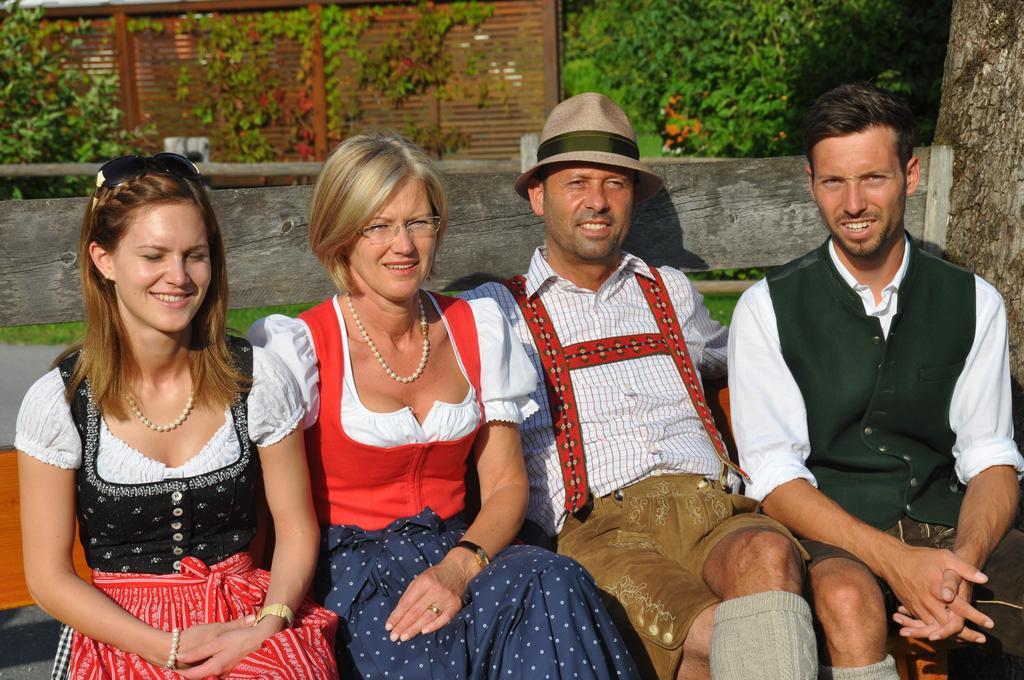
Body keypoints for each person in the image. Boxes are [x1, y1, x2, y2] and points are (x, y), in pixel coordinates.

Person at [249, 131, 639, 679]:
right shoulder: (300, 348)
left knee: (556, 583)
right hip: (352, 571)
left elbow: (505, 485)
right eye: (378, 225)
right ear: (340, 237)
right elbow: (278, 519)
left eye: (418, 222)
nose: (403, 245)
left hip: (464, 549)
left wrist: (460, 566)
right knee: (416, 650)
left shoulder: (476, 326)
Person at [462, 92, 817, 680]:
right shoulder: (494, 313)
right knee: (712, 635)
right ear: (537, 195)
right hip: (599, 527)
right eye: (577, 182)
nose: (597, 201)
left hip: (716, 507)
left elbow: (749, 359)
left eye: (616, 184)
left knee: (770, 554)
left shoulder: (669, 289)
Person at [728, 82, 1024, 679]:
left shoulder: (973, 301)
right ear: (811, 183)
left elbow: (991, 458)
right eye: (834, 181)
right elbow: (777, 479)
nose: (853, 202)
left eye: (873, 178)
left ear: (910, 176)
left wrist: (961, 561)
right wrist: (898, 562)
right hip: (836, 539)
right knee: (845, 598)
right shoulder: (766, 308)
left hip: (952, 527)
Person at [16, 153, 338, 679]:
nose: (180, 277)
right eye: (154, 255)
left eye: (195, 255)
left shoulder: (255, 378)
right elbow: (48, 579)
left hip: (249, 619)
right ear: (104, 260)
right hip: (120, 631)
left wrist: (269, 622)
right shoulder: (62, 401)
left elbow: (297, 528)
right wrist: (165, 647)